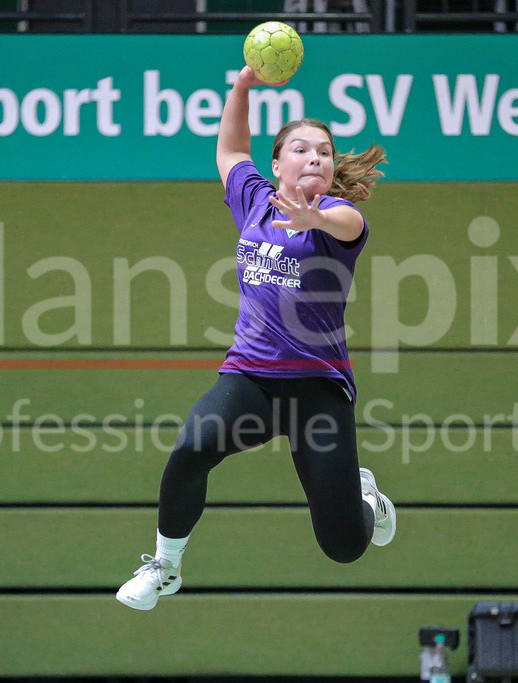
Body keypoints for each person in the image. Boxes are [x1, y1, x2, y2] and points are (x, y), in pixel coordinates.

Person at [116, 64, 394, 611]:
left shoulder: (338, 215)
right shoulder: (254, 200)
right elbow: (229, 152)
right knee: (191, 448)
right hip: (252, 379)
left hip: (317, 391)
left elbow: (350, 229)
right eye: (301, 149)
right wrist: (241, 86)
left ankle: (366, 498)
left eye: (324, 151)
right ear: (277, 163)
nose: (314, 157)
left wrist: (315, 220)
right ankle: (165, 566)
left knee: (343, 547)